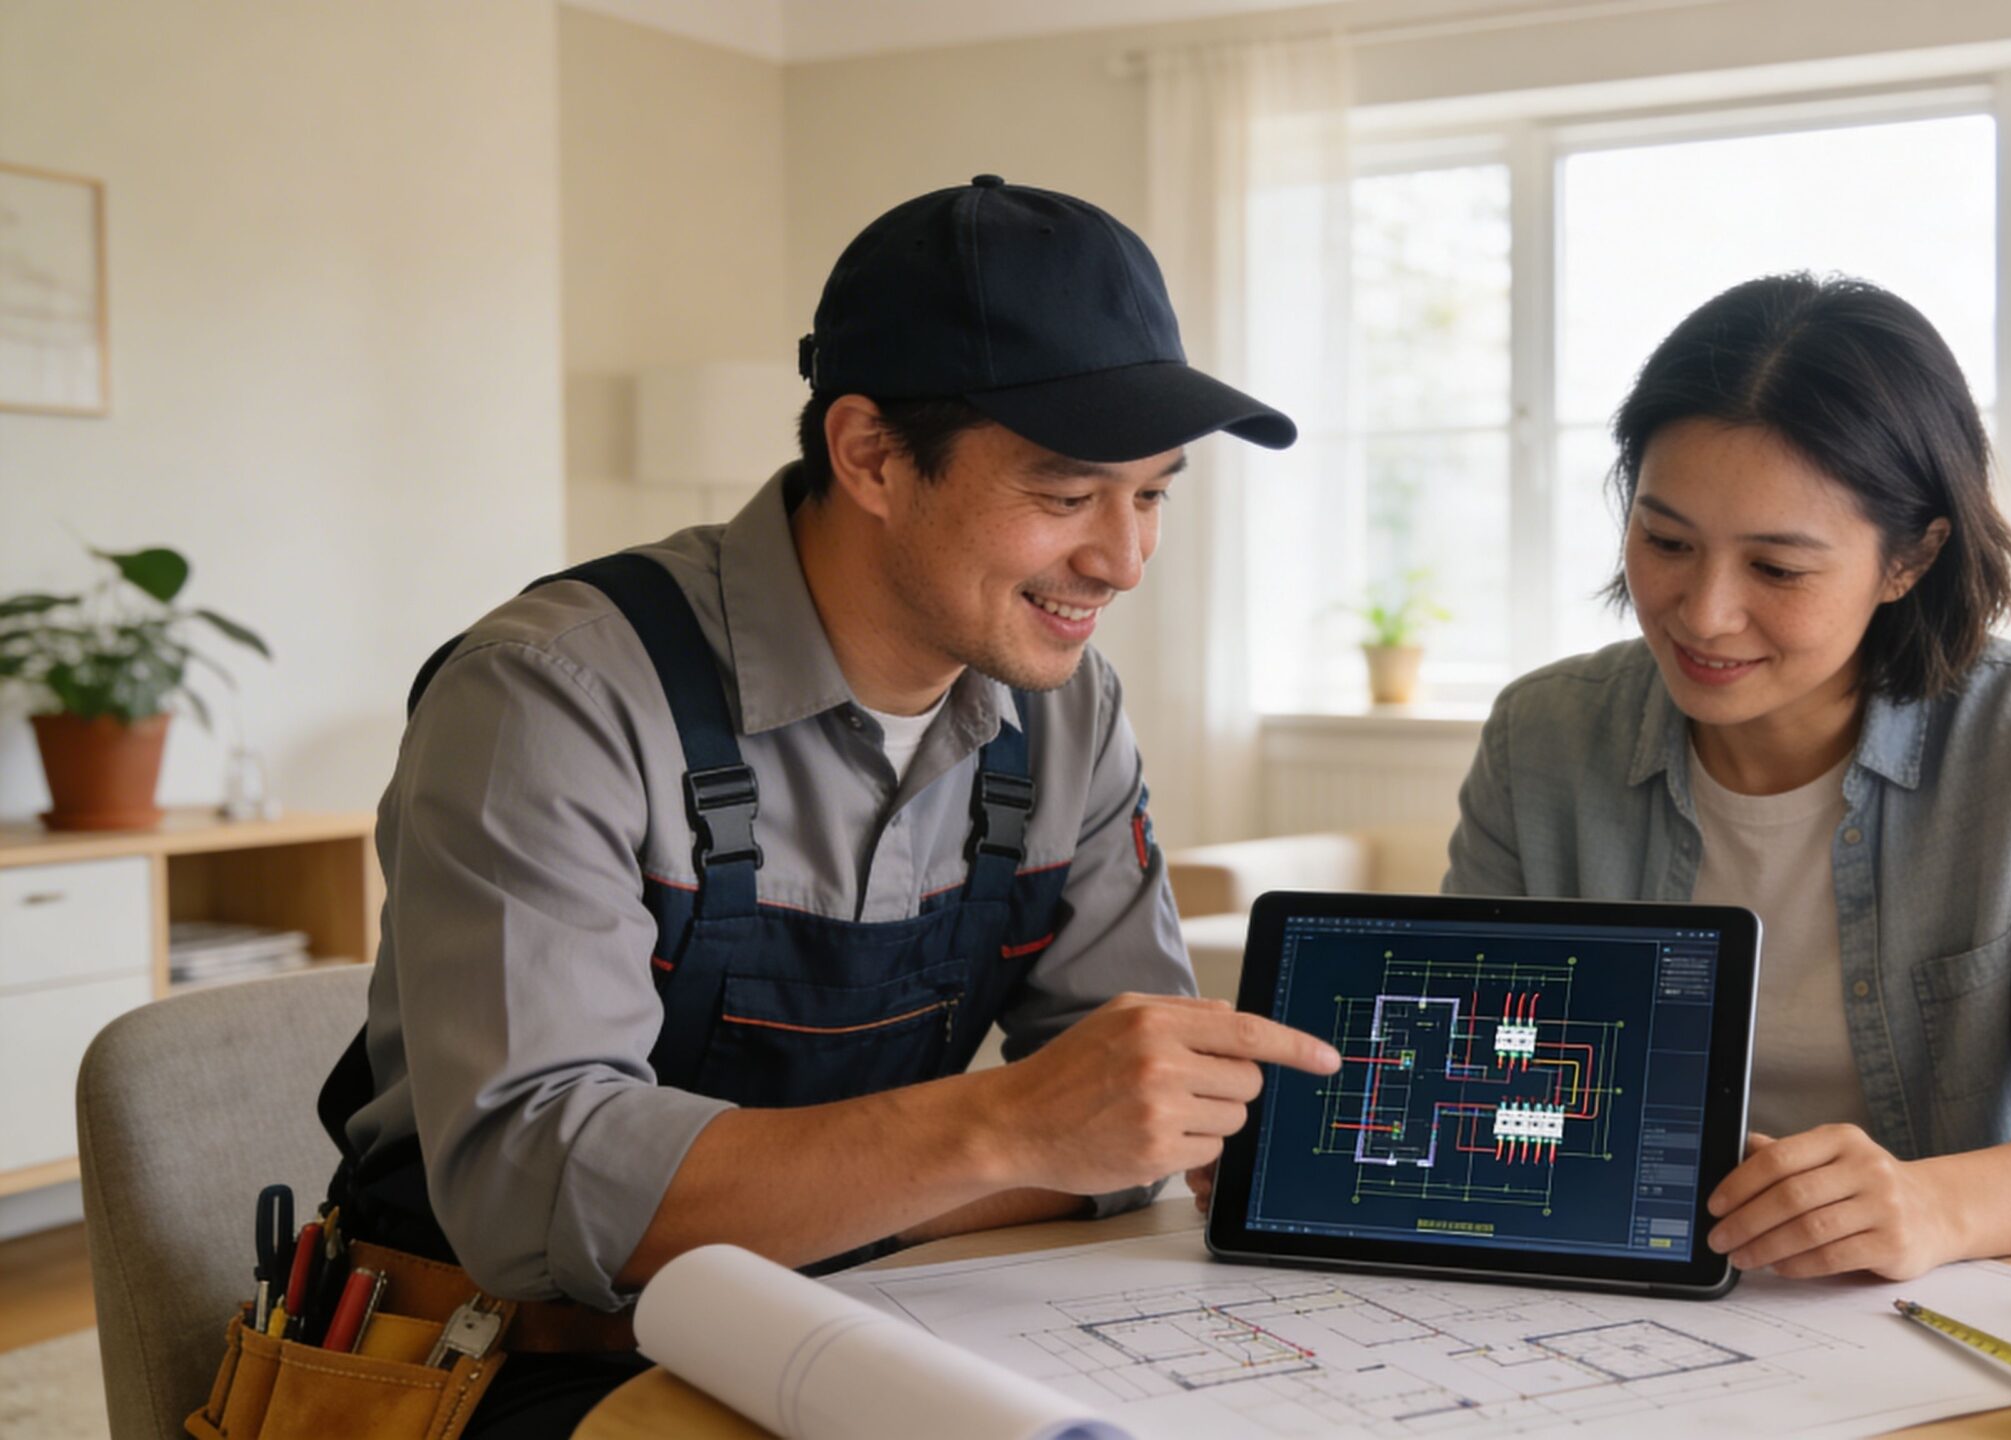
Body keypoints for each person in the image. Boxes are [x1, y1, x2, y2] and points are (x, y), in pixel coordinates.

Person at [317, 175, 1342, 1437]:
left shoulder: (1066, 710)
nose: (1122, 561)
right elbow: (539, 1208)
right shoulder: (554, 698)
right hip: (504, 1366)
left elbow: (1131, 1133)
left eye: (1154, 496)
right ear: (867, 453)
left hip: (868, 1321)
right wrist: (1007, 1131)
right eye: (1067, 496)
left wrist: (1037, 1150)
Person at [1328, 273, 2011, 1281]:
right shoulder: (1541, 733)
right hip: (1614, 1286)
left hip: (1909, 1301)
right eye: (1665, 541)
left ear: (1910, 558)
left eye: (1778, 569)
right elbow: (1476, 1072)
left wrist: (1931, 1206)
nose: (1702, 613)